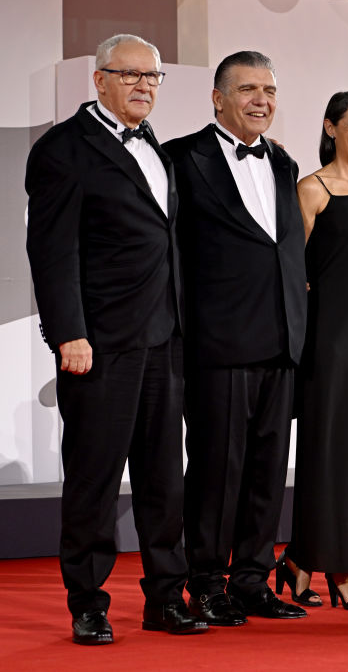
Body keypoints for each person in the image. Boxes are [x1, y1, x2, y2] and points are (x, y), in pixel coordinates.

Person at [25, 33, 207, 644]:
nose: (142, 87)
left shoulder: (158, 144)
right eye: (129, 75)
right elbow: (53, 254)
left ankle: (164, 597)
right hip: (100, 343)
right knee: (95, 478)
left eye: (152, 78)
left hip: (166, 339)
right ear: (98, 79)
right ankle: (88, 601)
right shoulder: (62, 150)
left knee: (163, 479)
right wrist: (69, 333)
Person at [165, 51, 308, 624]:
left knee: (268, 471)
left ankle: (252, 578)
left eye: (269, 90)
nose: (261, 100)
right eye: (248, 89)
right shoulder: (180, 158)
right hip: (217, 344)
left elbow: (286, 248)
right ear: (218, 97)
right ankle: (204, 581)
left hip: (281, 341)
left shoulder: (283, 162)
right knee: (216, 471)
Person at [276, 92, 348, 611]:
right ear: (330, 128)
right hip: (330, 342)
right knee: (330, 454)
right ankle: (345, 571)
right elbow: (290, 274)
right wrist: (341, 284)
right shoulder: (312, 189)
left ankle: (299, 562)